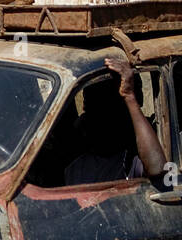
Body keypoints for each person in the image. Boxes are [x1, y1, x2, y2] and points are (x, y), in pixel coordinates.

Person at [63, 56, 166, 185]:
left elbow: (157, 169)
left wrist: (128, 96)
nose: (86, 112)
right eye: (90, 104)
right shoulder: (76, 162)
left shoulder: (135, 156)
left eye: (105, 107)